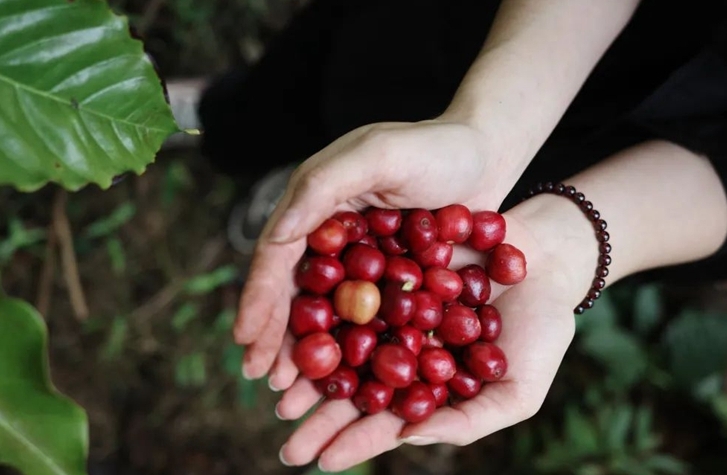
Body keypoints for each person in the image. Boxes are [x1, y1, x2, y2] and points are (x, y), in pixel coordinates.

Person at [197, 0, 727, 471]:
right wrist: (486, 131)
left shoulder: (425, 297)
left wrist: (567, 250)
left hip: (620, 173)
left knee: (351, 164)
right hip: (500, 39)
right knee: (318, 79)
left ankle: (253, 151)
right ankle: (206, 119)